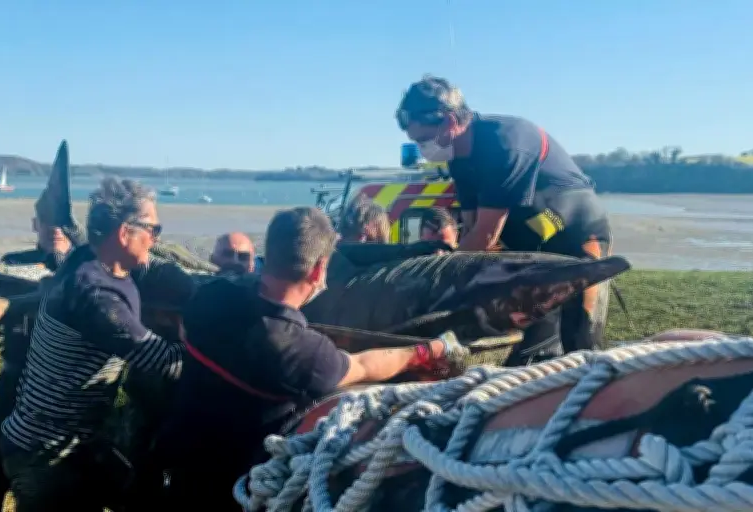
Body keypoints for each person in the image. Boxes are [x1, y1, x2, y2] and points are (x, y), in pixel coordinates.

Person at [155, 207, 464, 511]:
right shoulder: (300, 350)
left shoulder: (212, 297)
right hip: (236, 485)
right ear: (318, 270)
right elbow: (365, 365)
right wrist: (426, 351)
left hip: (176, 460)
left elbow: (188, 331)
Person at [0, 178, 184, 512]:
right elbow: (165, 362)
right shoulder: (97, 297)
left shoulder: (86, 257)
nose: (156, 240)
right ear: (125, 232)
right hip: (48, 454)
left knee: (139, 496)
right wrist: (222, 347)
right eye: (153, 230)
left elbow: (153, 267)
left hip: (71, 442)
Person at [395, 75, 613, 357]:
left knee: (579, 336)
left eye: (423, 139)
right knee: (529, 334)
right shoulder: (458, 160)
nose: (424, 149)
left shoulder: (505, 143)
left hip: (577, 231)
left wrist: (442, 287)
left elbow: (485, 236)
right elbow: (471, 229)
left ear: (449, 122)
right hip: (531, 237)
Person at [0, 212, 72, 512]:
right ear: (34, 224)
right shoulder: (10, 264)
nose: (54, 228)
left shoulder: (85, 269)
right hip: (15, 375)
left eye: (61, 222)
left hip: (66, 385)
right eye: (47, 220)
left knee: (60, 463)